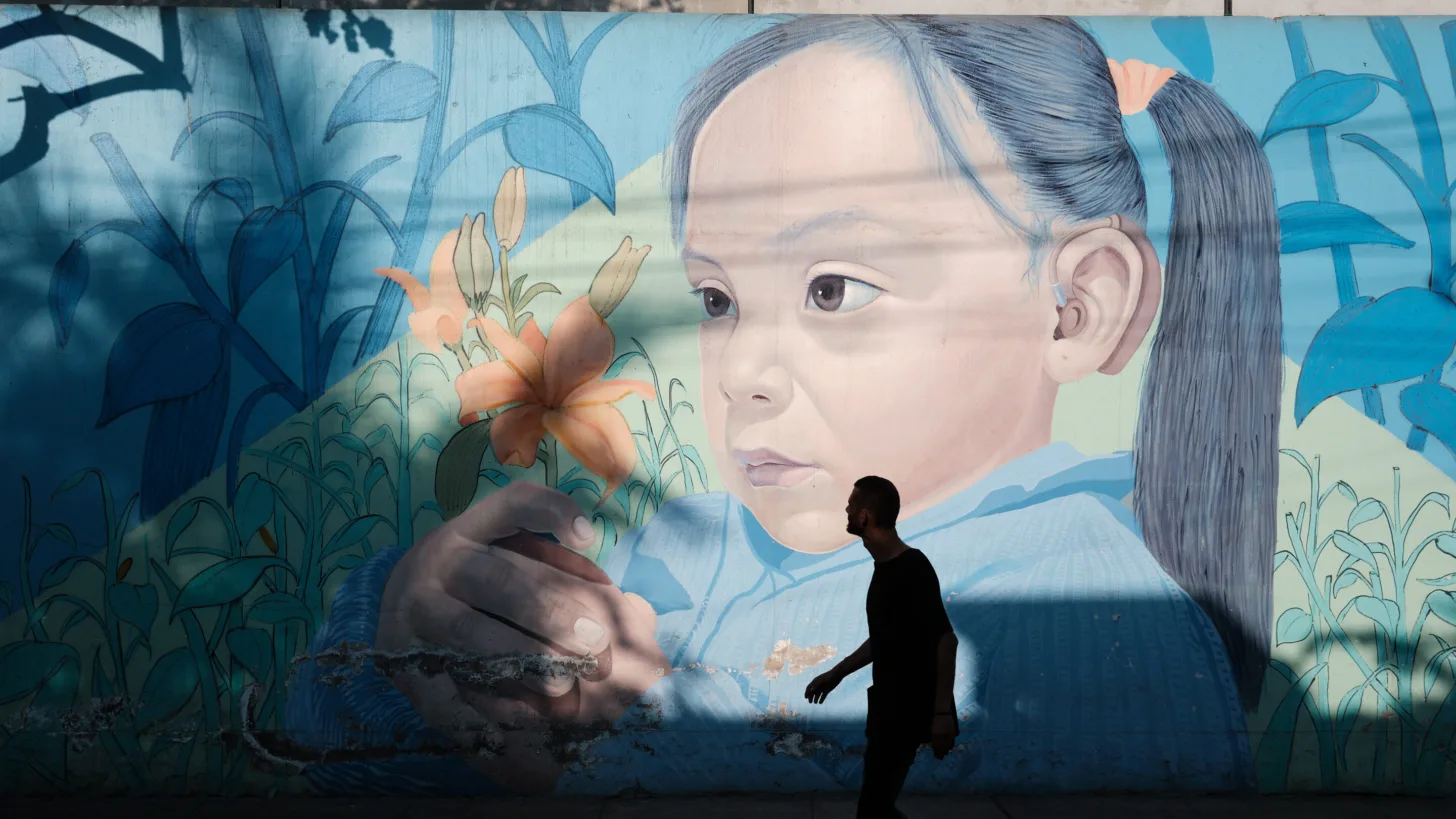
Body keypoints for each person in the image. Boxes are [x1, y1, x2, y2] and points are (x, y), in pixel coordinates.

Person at [287, 15, 1277, 796]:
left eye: (833, 289)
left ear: (1076, 310)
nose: (741, 374)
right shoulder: (682, 549)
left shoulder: (1087, 626)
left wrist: (612, 765)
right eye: (717, 299)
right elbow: (310, 762)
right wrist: (405, 625)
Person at [803, 477, 958, 819]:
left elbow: (946, 640)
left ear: (865, 517)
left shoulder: (912, 568)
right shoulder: (885, 569)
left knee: (873, 809)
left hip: (907, 710)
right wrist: (836, 673)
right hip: (888, 707)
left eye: (851, 504)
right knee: (877, 807)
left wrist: (942, 715)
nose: (845, 508)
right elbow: (886, 638)